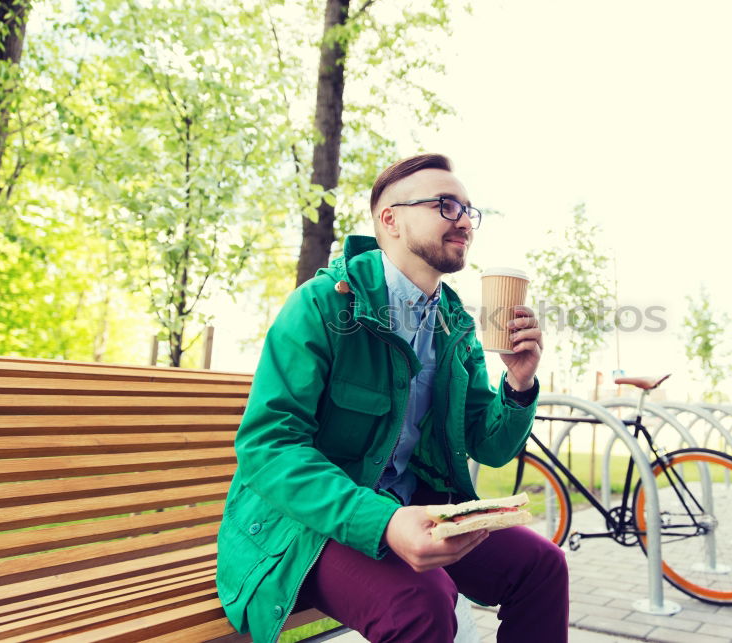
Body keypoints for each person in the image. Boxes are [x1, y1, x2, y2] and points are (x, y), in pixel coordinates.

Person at [216, 153, 569, 643]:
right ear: (391, 219)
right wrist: (382, 522)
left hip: (413, 508)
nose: (464, 220)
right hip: (305, 527)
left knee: (542, 566)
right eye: (446, 206)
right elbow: (268, 449)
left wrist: (519, 384)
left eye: (469, 210)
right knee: (421, 602)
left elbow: (488, 446)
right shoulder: (322, 305)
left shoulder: (456, 325)